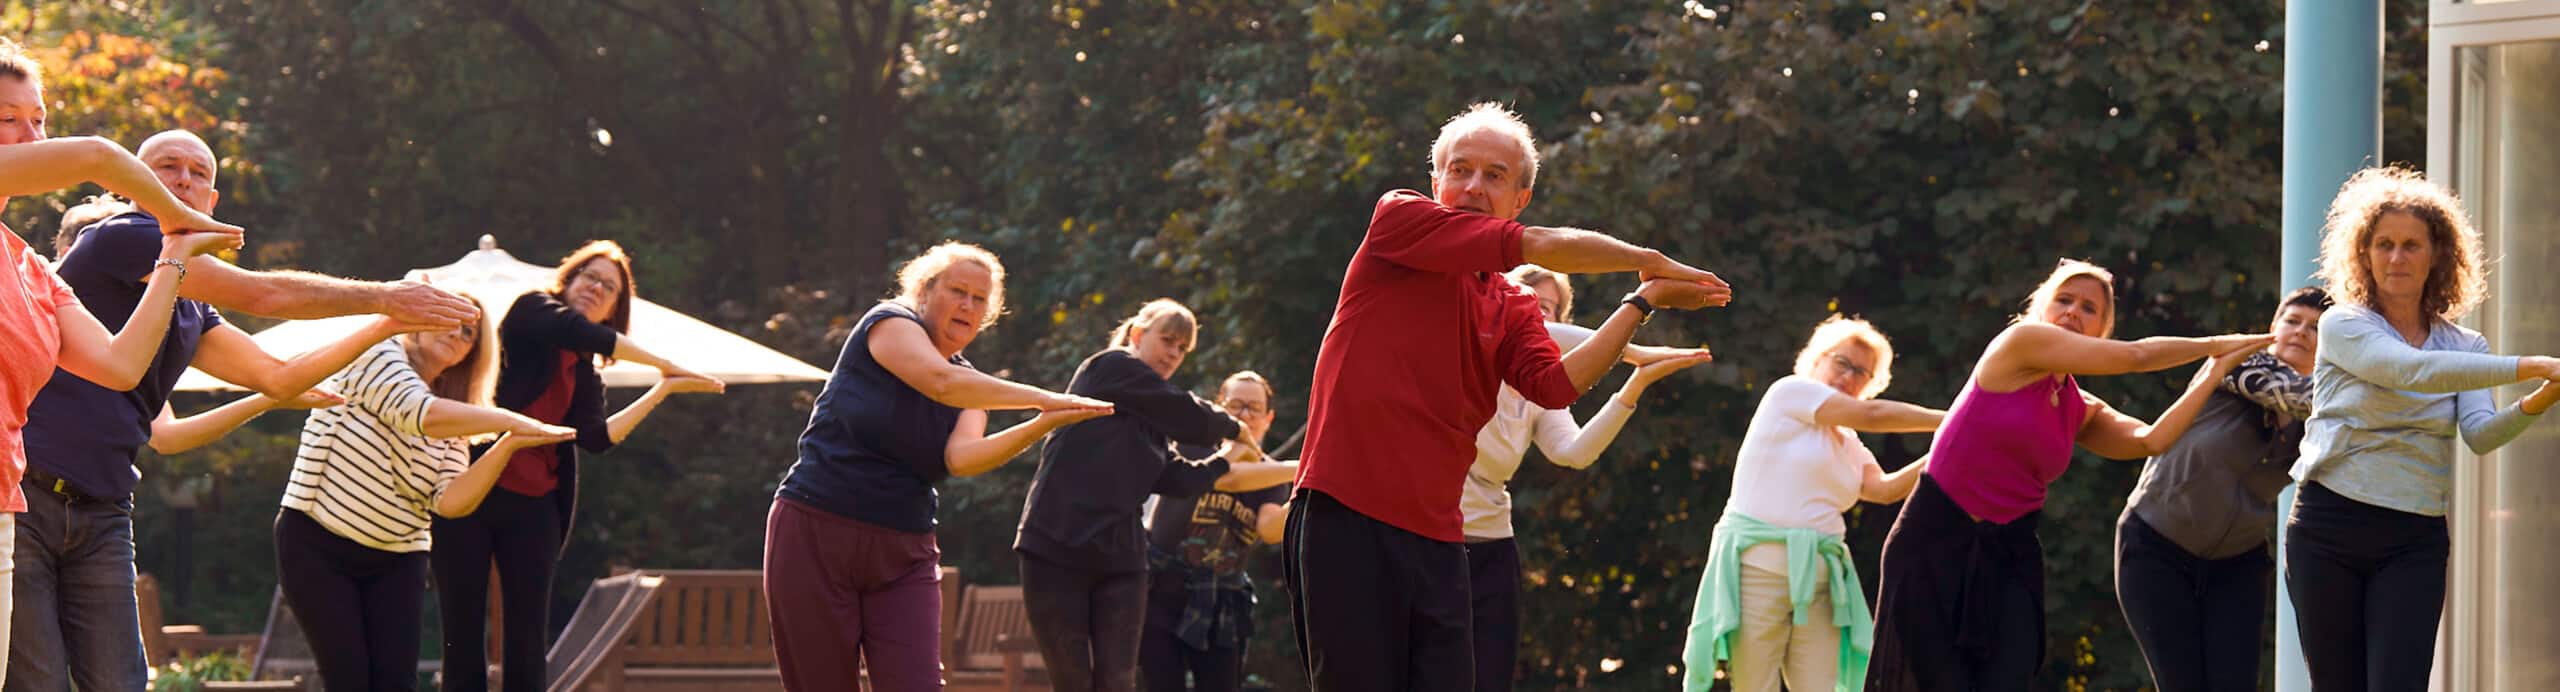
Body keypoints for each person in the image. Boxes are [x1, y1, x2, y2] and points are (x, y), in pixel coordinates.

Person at [1286, 101, 1730, 691]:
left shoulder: (1514, 305)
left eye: (1494, 176)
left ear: (1519, 197)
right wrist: (1647, 259)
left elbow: (1556, 385)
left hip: (1444, 538)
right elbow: (1542, 245)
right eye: (1459, 170)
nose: (1472, 186)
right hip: (1345, 514)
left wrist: (1641, 301)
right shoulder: (1399, 222)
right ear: (1434, 182)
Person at [13, 127, 473, 691]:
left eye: (198, 173)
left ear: (212, 202)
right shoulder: (124, 235)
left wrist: (386, 324)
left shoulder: (191, 301)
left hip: (104, 508)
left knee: (122, 684)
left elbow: (276, 377)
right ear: (132, 186)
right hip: (27, 498)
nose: (183, 178)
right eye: (166, 166)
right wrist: (383, 295)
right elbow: (264, 295)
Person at [1863, 259, 2268, 691]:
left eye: (2090, 308)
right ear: (2041, 308)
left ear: (2100, 331)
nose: (2074, 311)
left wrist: (2214, 370)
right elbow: (2136, 356)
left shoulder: (2080, 406)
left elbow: (2150, 440)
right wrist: (2216, 343)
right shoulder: (2018, 345)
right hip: (1934, 542)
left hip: (2009, 553)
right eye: (2064, 300)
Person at [0, 40, 245, 689]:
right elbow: (99, 157)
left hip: (9, 511)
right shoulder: (104, 233)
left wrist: (174, 255)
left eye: (40, 118)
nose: (30, 135)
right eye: (7, 119)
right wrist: (179, 217)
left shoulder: (31, 269)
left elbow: (120, 365)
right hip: (29, 512)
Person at [764, 241, 1113, 692]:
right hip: (817, 529)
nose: (968, 305)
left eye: (979, 299)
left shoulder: (972, 386)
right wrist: (1044, 397)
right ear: (924, 292)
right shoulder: (889, 324)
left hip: (903, 550)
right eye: (957, 291)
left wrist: (1044, 423)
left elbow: (961, 459)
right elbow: (939, 381)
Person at [2285, 167, 2560, 691]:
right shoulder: (2344, 323)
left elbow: (2479, 434)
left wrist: (2543, 396)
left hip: (2412, 537)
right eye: (2383, 244)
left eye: (2411, 245)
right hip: (2328, 527)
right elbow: (2407, 370)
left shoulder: (2466, 346)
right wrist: (2534, 364)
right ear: (2363, 253)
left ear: (2437, 254)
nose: (2396, 258)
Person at [431, 239, 724, 691]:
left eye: (608, 288)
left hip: (536, 507)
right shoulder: (532, 311)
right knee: (463, 631)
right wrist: (666, 361)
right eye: (590, 276)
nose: (596, 288)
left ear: (613, 308)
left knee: (527, 637)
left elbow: (596, 439)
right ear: (569, 278)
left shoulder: (584, 371)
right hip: (474, 489)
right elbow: (580, 332)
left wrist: (663, 387)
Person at [276, 297, 581, 691]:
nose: (457, 333)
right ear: (419, 322)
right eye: (448, 320)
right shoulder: (376, 352)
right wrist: (512, 419)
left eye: (469, 332)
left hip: (398, 559)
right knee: (349, 680)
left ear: (472, 353)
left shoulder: (458, 418)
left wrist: (507, 443)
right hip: (318, 542)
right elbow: (416, 412)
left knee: (397, 684)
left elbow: (450, 501)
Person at [1017, 299, 1293, 692]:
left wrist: (1224, 458)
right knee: (1073, 680)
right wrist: (1231, 426)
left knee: (1118, 681)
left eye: (1182, 349)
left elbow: (1175, 477)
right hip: (1056, 547)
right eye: (1167, 340)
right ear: (1137, 335)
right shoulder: (1107, 369)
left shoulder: (1154, 423)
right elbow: (1181, 408)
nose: (1174, 354)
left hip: (1122, 559)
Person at [1462, 265, 1709, 692]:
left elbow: (1573, 453)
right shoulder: (1472, 351)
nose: (1540, 317)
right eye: (1530, 303)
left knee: (1488, 675)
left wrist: (1636, 382)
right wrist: (1635, 349)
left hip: (1492, 543)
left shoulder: (1540, 390)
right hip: (1433, 538)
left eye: (1551, 310)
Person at [1681, 315, 1944, 692]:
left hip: (1823, 583)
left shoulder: (1850, 442)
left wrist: (1946, 445)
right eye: (1843, 362)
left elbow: (1884, 490)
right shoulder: (1790, 394)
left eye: (1862, 373)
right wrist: (1953, 421)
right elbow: (1873, 415)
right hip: (1759, 572)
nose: (1849, 377)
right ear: (1817, 358)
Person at [2113, 287, 2329, 692]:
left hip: (2238, 564)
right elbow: (2301, 395)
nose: (2301, 332)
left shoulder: (2318, 426)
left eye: (2316, 328)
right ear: (2272, 329)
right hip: (2155, 547)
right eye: (2292, 321)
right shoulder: (2237, 362)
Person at [1141, 371, 1298, 692]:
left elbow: (1269, 530)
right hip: (1162, 593)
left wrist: (1307, 489)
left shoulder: (1272, 478)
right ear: (1218, 408)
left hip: (1221, 601)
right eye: (1236, 405)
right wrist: (1303, 466)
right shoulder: (1194, 450)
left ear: (1268, 419)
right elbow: (1227, 478)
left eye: (1254, 408)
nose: (1245, 415)